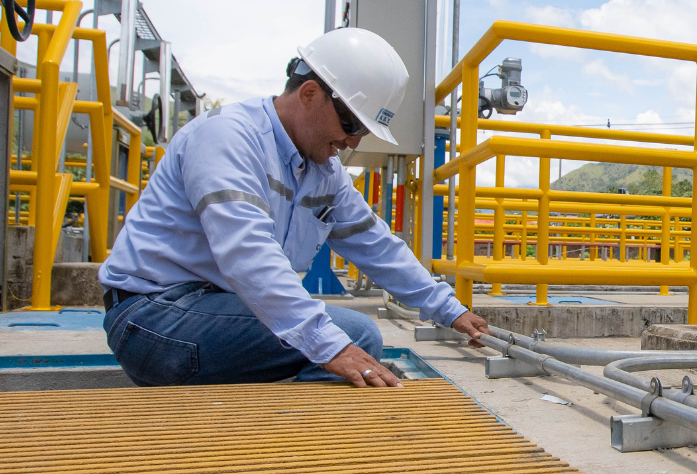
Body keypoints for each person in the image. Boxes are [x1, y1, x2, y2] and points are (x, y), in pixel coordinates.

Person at [99, 27, 491, 387]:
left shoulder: (323, 171)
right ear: (309, 95)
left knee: (344, 338)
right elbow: (247, 251)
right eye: (351, 126)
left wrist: (448, 309)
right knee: (350, 336)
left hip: (213, 308)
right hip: (154, 318)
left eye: (364, 132)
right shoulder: (228, 138)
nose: (353, 143)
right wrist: (330, 346)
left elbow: (374, 243)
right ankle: (290, 441)